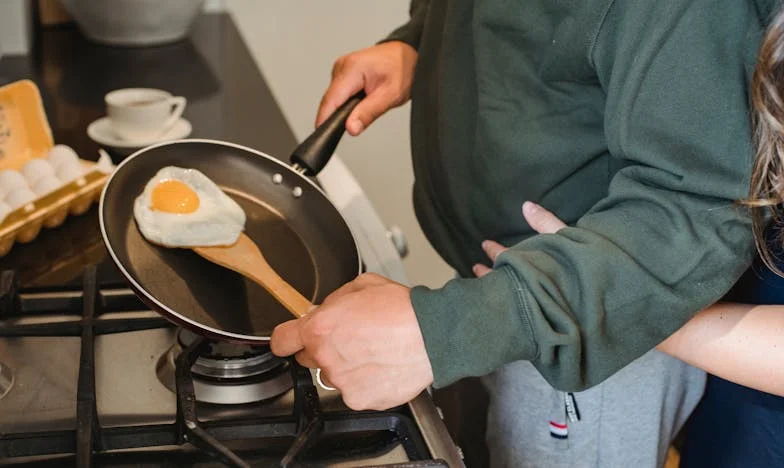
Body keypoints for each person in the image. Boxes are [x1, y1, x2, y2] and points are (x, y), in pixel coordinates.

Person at [270, 0, 774, 466]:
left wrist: (450, 329)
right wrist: (421, 40)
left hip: (591, 326)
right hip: (492, 293)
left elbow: (695, 206)